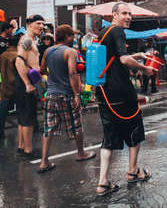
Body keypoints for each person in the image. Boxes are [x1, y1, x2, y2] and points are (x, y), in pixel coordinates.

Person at [95, 2, 153, 196]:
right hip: (121, 92)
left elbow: (114, 56)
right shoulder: (118, 31)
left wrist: (135, 55)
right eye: (124, 13)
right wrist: (145, 68)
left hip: (103, 93)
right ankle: (132, 171)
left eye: (130, 14)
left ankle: (102, 182)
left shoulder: (103, 32)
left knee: (109, 137)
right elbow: (122, 60)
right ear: (114, 15)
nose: (128, 17)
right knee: (135, 129)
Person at [38, 25, 96, 173]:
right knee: (76, 124)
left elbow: (42, 70)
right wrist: (77, 95)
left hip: (51, 95)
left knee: (48, 128)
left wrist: (54, 73)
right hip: (66, 94)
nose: (74, 39)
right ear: (67, 36)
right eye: (72, 36)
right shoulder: (70, 52)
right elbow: (72, 73)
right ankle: (81, 153)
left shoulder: (48, 51)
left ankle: (44, 161)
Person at [14, 14, 45, 158]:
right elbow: (19, 61)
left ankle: (22, 147)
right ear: (29, 24)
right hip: (25, 81)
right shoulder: (26, 39)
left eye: (42, 24)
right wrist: (27, 84)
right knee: (28, 117)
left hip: (26, 80)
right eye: (38, 23)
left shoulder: (30, 39)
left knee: (22, 116)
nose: (41, 26)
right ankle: (28, 150)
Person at [0, 35, 19, 139]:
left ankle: (1, 130)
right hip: (15, 85)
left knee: (3, 108)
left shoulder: (3, 55)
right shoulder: (17, 56)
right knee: (22, 108)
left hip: (4, 85)